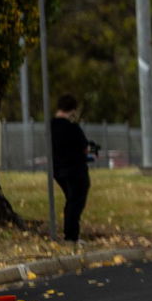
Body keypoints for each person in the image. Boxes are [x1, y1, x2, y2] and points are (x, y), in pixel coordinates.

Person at [49, 94, 96, 244]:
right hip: (75, 169)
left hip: (57, 169)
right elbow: (84, 148)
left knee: (71, 200)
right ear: (73, 110)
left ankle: (70, 233)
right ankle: (71, 236)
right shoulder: (72, 128)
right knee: (76, 201)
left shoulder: (50, 126)